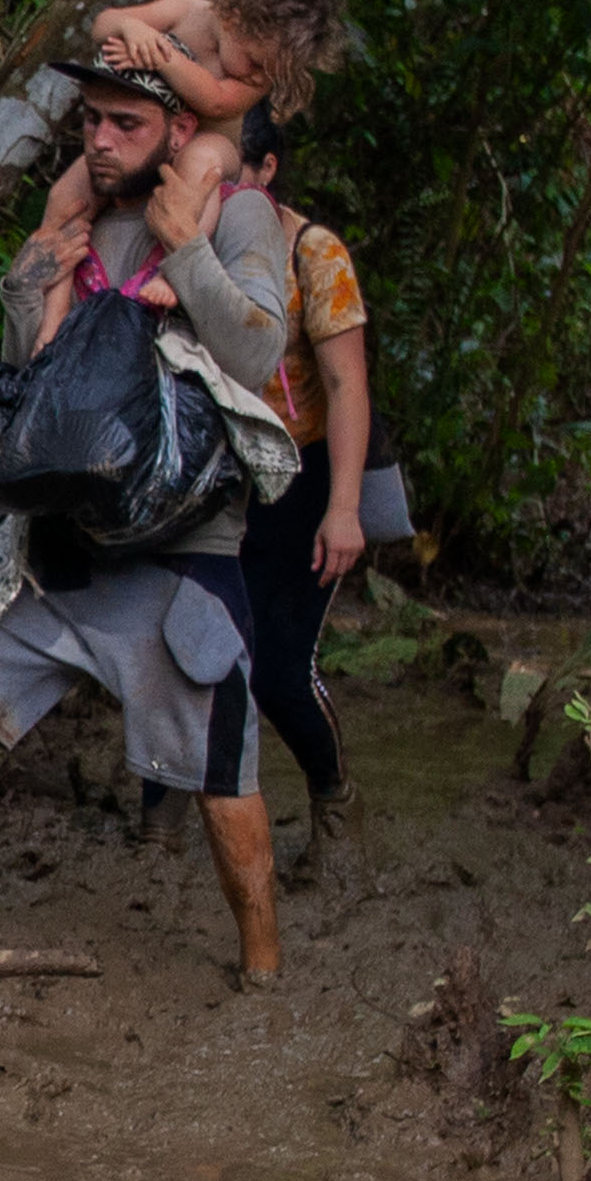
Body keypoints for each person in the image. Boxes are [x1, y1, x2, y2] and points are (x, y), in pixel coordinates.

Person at [0, 56, 301, 983]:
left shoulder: (236, 213)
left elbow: (257, 354)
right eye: (90, 119)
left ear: (180, 131)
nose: (99, 139)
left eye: (125, 123)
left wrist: (186, 253)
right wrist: (30, 281)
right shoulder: (80, 217)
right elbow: (28, 380)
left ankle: (262, 973)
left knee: (220, 768)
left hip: (181, 548)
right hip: (57, 537)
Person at [236, 198, 376, 878]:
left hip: (303, 474)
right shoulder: (189, 234)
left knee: (280, 670)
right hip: (224, 475)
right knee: (193, 650)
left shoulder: (313, 254)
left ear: (265, 172)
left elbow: (348, 383)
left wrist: (343, 509)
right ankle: (160, 831)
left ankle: (336, 805)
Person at [86, 0, 354, 243]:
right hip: (154, 140)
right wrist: (130, 27)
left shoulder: (254, 80)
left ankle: (180, 247)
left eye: (271, 74)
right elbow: (102, 24)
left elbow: (215, 102)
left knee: (202, 162)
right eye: (255, 63)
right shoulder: (189, 12)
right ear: (235, 19)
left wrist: (160, 55)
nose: (259, 77)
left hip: (211, 143)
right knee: (75, 186)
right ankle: (56, 246)